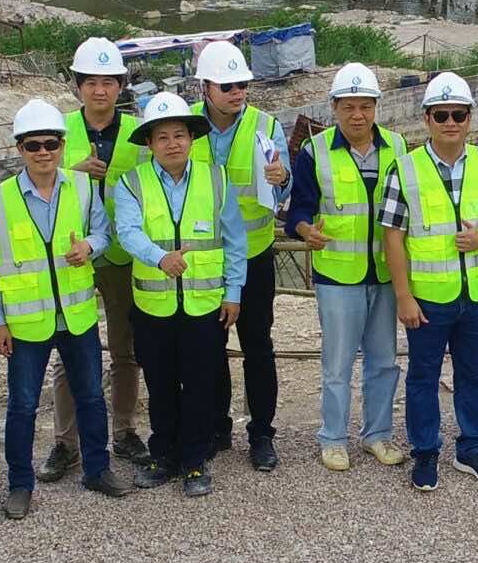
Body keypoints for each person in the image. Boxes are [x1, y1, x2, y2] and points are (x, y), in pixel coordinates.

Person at [0, 101, 133, 517]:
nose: (43, 152)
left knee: (90, 397)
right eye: (34, 145)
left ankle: (97, 470)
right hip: (27, 323)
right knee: (22, 405)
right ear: (20, 149)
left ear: (63, 146)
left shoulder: (82, 188)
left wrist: (90, 246)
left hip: (77, 315)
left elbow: (102, 230)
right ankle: (19, 483)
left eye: (51, 143)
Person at [383, 73, 478, 491]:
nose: (450, 122)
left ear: (469, 118)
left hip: (476, 293)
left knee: (473, 374)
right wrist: (403, 296)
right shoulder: (405, 169)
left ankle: (472, 448)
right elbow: (392, 236)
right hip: (428, 298)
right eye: (441, 114)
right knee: (423, 376)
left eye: (458, 114)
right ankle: (425, 452)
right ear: (427, 118)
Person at [113, 93, 248, 496]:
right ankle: (163, 454)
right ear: (150, 144)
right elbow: (129, 232)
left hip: (204, 303)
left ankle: (194, 460)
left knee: (200, 382)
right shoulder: (131, 182)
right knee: (161, 382)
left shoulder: (216, 178)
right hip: (153, 304)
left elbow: (234, 240)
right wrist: (159, 258)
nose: (172, 143)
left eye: (180, 135)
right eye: (163, 137)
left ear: (192, 139)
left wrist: (234, 292)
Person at [286, 63, 406, 472]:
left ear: (376, 107)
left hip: (386, 273)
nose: (358, 115)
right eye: (349, 106)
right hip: (338, 275)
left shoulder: (398, 148)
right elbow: (298, 208)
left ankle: (378, 434)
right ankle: (333, 438)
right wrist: (305, 229)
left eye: (366, 106)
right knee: (337, 364)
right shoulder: (314, 151)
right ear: (334, 107)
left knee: (384, 360)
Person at [46, 35, 147, 479]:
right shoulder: (58, 130)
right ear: (78, 85)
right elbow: (34, 176)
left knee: (127, 350)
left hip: (124, 257)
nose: (101, 90)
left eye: (109, 82)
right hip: (74, 256)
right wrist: (71, 171)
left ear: (121, 85)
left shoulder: (138, 134)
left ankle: (125, 428)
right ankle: (65, 441)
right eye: (92, 82)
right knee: (68, 350)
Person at [189, 40, 291, 471]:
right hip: (205, 260)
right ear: (205, 88)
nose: (237, 92)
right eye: (227, 85)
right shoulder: (183, 125)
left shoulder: (266, 126)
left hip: (253, 256)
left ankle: (262, 433)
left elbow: (284, 188)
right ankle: (218, 427)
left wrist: (282, 177)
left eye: (243, 84)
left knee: (257, 346)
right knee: (210, 348)